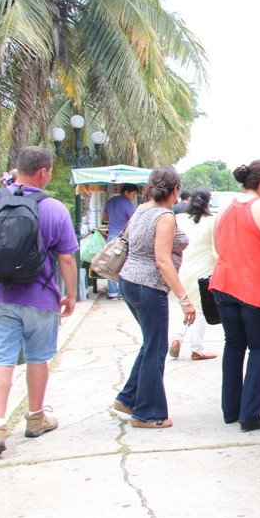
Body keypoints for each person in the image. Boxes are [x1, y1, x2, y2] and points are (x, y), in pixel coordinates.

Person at [0, 147, 78, 457]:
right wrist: (69, 295)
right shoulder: (55, 208)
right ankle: (35, 417)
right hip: (40, 296)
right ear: (43, 172)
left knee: (1, 359)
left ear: (18, 169)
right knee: (37, 357)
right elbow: (67, 259)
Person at [210, 160, 260, 431]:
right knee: (259, 349)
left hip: (224, 287)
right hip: (255, 289)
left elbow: (218, 246)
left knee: (233, 346)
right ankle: (250, 415)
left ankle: (230, 410)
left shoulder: (225, 209)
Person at [112, 167, 195, 429]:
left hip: (129, 281)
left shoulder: (141, 209)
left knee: (151, 344)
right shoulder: (164, 216)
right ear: (175, 190)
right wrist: (184, 298)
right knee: (156, 348)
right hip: (148, 286)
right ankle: (148, 413)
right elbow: (162, 260)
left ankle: (128, 398)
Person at [170, 187, 217, 361]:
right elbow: (215, 251)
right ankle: (197, 349)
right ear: (208, 202)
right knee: (200, 309)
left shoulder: (179, 219)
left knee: (183, 304)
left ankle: (176, 338)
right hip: (204, 271)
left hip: (182, 269)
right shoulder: (212, 221)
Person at [102, 183, 138, 299]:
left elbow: (105, 218)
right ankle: (123, 292)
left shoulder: (110, 201)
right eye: (133, 194)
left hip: (111, 236)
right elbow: (133, 220)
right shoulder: (128, 203)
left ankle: (112, 292)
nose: (133, 197)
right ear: (126, 192)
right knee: (124, 264)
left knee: (110, 264)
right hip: (124, 237)